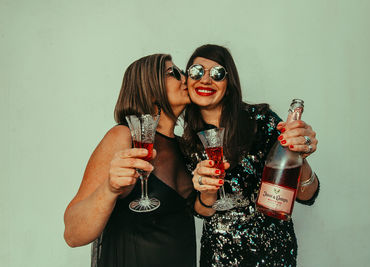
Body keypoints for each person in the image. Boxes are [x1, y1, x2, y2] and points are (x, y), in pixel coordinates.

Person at [181, 44, 320, 266]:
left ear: (229, 83)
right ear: (186, 80)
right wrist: (208, 193)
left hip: (272, 254)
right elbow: (200, 211)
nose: (205, 80)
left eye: (217, 74)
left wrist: (299, 155)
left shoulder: (261, 121)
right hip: (219, 257)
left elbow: (307, 196)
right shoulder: (187, 142)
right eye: (197, 71)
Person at [63, 54, 196, 267]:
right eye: (173, 73)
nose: (185, 78)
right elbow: (73, 234)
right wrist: (109, 189)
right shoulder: (124, 137)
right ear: (150, 87)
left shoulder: (185, 148)